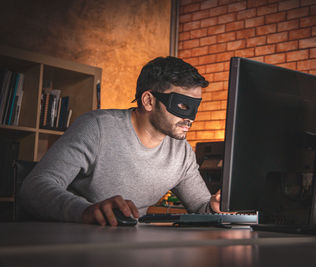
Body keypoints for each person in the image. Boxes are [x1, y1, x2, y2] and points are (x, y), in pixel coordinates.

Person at [19, 56, 222, 226]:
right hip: (72, 243)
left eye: (196, 107)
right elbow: (34, 188)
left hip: (129, 247)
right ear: (148, 101)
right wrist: (86, 211)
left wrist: (214, 207)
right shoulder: (97, 128)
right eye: (184, 106)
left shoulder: (181, 152)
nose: (191, 118)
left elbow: (201, 207)